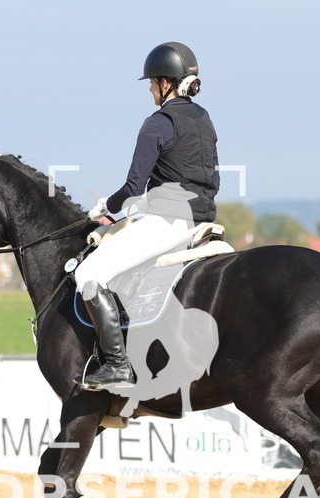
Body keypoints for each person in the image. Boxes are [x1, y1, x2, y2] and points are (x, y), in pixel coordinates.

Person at [75, 41, 220, 391]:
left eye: (152, 83)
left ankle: (116, 365)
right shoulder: (203, 118)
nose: (150, 90)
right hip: (202, 220)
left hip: (167, 224)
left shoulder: (157, 123)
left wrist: (107, 208)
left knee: (88, 273)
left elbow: (133, 187)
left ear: (165, 83)